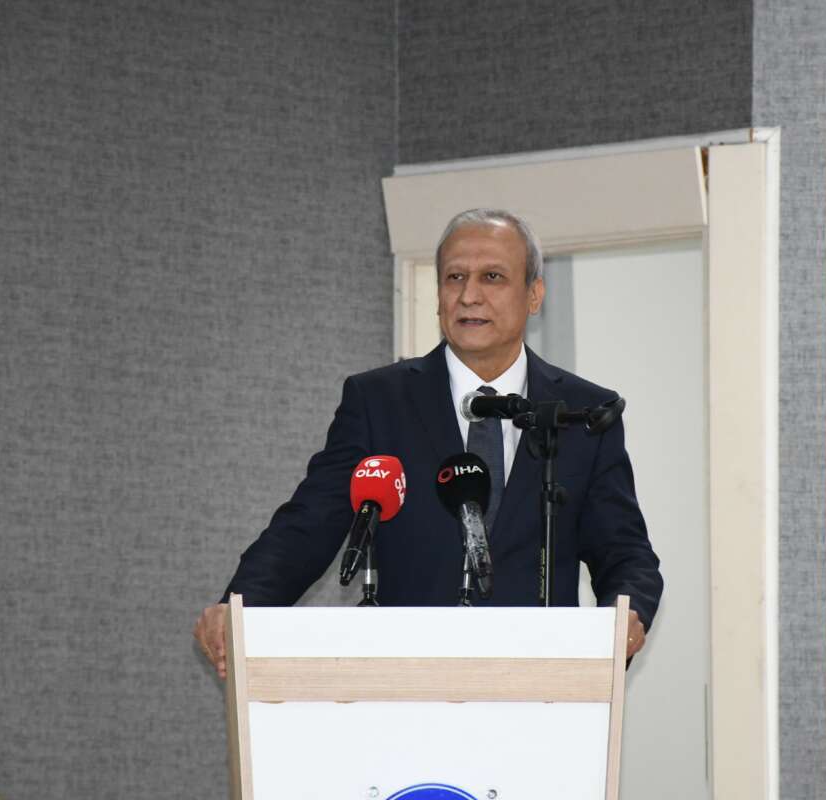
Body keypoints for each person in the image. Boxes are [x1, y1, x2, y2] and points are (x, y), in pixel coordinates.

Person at [195, 209, 663, 678]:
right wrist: (240, 607)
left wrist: (626, 615)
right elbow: (309, 525)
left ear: (534, 294)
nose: (469, 295)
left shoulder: (582, 412)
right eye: (454, 277)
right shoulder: (379, 400)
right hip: (406, 681)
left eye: (492, 277)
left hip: (540, 682)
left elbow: (624, 552)